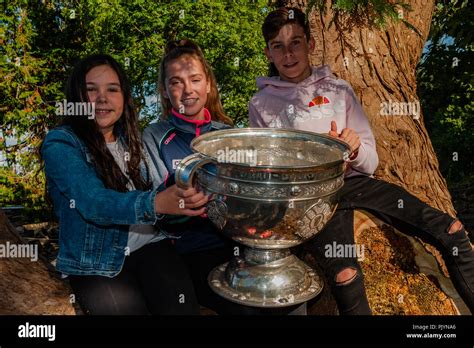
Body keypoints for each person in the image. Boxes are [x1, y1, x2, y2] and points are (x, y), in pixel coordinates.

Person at [249, 7, 474, 315]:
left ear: (311, 44)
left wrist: (353, 148)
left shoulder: (338, 89)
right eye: (279, 47)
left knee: (452, 231)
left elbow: (370, 161)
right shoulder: (261, 103)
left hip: (354, 183)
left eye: (296, 43)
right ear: (269, 53)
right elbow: (268, 172)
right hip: (311, 201)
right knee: (345, 275)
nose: (289, 54)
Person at [143, 40, 305, 315]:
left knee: (290, 295)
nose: (187, 90)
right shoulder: (154, 136)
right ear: (165, 91)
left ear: (208, 84)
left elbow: (248, 195)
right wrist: (185, 201)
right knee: (246, 306)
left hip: (241, 244)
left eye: (195, 79)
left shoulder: (229, 133)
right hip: (192, 251)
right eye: (176, 82)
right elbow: (160, 209)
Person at [41, 54, 207, 315]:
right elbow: (93, 202)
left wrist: (187, 195)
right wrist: (157, 202)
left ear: (124, 97)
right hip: (96, 262)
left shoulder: (131, 140)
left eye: (112, 89)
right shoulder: (61, 143)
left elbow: (157, 190)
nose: (102, 98)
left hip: (153, 246)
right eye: (91, 90)